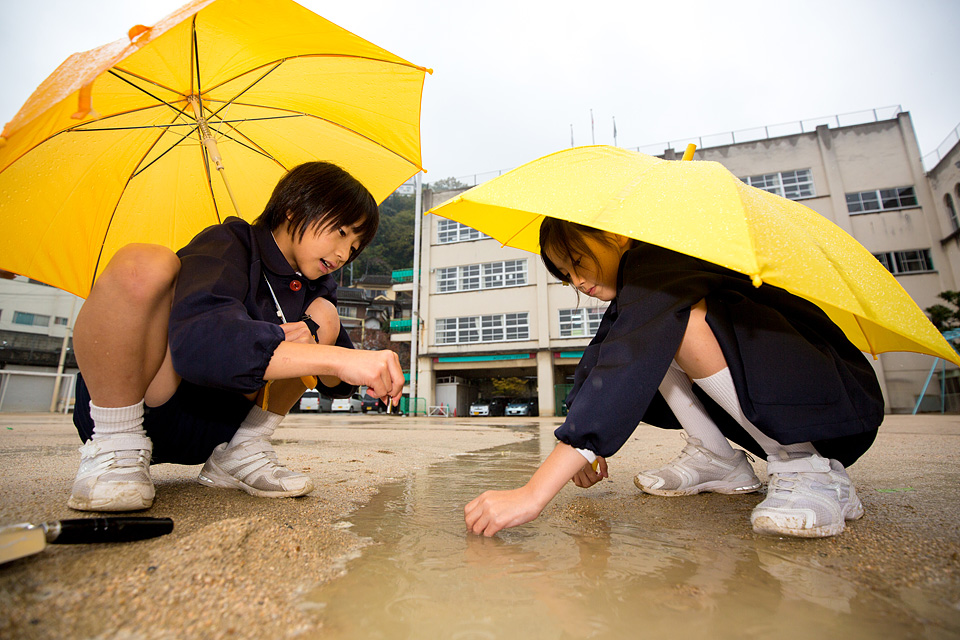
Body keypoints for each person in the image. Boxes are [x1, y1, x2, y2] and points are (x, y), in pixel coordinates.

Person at [465, 218, 883, 539]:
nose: (576, 280)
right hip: (792, 411)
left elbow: (623, 363)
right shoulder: (642, 281)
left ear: (617, 235)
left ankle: (808, 469)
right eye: (564, 273)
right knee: (652, 336)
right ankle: (718, 459)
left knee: (678, 326)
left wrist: (534, 492)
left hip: (833, 413)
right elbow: (602, 357)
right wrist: (582, 447)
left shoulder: (663, 259)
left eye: (576, 261)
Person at [69, 162, 405, 512]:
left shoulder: (316, 286)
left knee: (326, 314)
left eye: (354, 247)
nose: (343, 255)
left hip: (221, 428)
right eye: (340, 232)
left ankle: (243, 451)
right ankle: (113, 446)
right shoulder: (225, 244)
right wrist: (335, 358)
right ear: (293, 208)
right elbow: (200, 347)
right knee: (145, 261)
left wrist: (330, 348)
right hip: (150, 403)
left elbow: (337, 384)